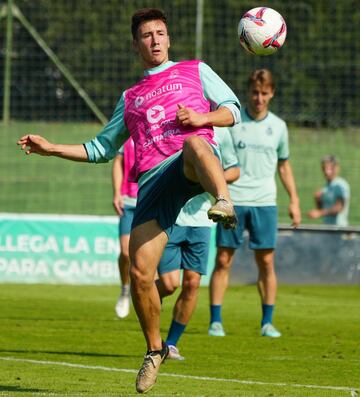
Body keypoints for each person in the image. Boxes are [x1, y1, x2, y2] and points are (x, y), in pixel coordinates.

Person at [17, 8, 241, 394]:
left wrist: (203, 118)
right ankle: (155, 350)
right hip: (152, 185)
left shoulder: (195, 69)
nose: (155, 40)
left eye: (160, 33)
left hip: (189, 160)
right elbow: (101, 147)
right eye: (147, 35)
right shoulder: (131, 97)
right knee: (140, 273)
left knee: (193, 143)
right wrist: (51, 148)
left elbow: (233, 110)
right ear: (136, 44)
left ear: (169, 39)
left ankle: (223, 199)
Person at [208, 69, 301, 339]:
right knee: (224, 260)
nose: (258, 98)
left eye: (264, 93)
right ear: (248, 93)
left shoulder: (279, 127)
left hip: (265, 202)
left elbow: (284, 166)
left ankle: (267, 322)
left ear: (271, 94)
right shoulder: (233, 123)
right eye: (254, 93)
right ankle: (216, 321)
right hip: (234, 201)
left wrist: (294, 200)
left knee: (267, 262)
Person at [156, 127, 240, 360]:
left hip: (203, 220)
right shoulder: (172, 129)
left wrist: (210, 176)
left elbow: (234, 170)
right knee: (170, 284)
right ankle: (145, 294)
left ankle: (171, 344)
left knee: (192, 284)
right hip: (172, 216)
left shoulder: (220, 133)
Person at [112, 138, 137, 318]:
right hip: (128, 200)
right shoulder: (127, 133)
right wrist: (117, 193)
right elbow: (118, 162)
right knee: (126, 252)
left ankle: (143, 298)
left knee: (149, 256)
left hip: (150, 200)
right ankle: (125, 290)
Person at [307, 155, 350, 226]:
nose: (327, 172)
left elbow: (339, 207)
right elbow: (321, 209)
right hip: (327, 228)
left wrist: (319, 213)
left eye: (330, 168)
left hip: (339, 229)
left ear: (337, 168)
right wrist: (318, 200)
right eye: (324, 168)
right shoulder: (325, 187)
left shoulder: (340, 185)